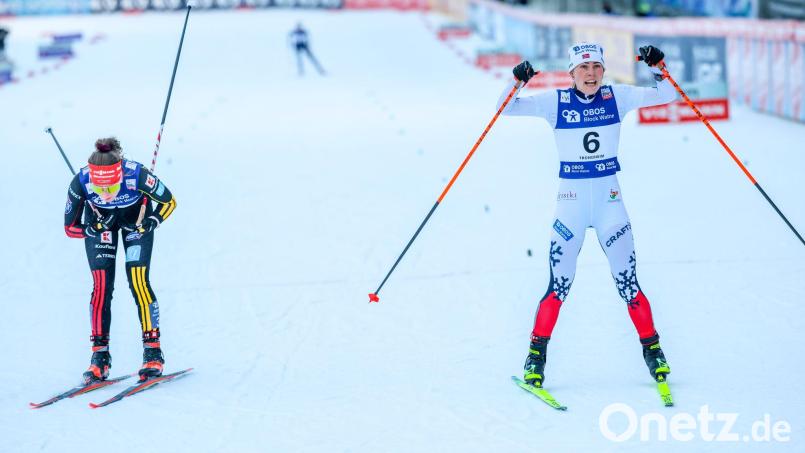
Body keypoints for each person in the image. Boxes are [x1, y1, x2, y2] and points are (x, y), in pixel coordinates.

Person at [497, 43, 676, 388]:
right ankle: (536, 357)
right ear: (572, 73)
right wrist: (517, 81)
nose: (590, 74)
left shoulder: (617, 97)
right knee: (558, 287)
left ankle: (653, 351)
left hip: (611, 205)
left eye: (596, 67)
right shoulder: (556, 103)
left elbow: (667, 94)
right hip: (571, 207)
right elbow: (504, 108)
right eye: (583, 68)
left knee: (628, 284)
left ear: (603, 71)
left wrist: (657, 67)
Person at [64, 138, 177, 383]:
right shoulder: (81, 182)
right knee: (102, 286)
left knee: (138, 281)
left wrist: (153, 221)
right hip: (100, 224)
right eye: (99, 189)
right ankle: (99, 358)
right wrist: (90, 230)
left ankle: (152, 353)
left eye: (110, 187)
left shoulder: (136, 175)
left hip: (135, 221)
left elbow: (169, 202)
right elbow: (69, 228)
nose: (104, 194)